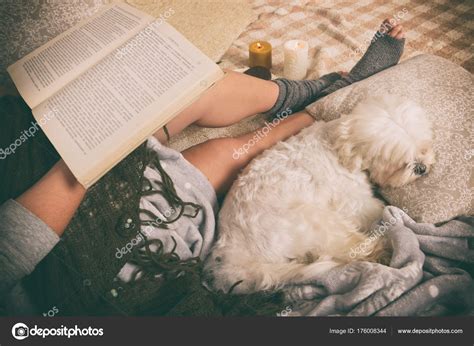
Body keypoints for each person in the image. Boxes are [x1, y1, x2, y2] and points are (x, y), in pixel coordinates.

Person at [0, 20, 405, 315]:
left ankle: (306, 91)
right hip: (114, 248)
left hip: (45, 176)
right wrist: (95, 143)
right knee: (240, 148)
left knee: (192, 89)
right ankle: (331, 95)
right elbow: (17, 245)